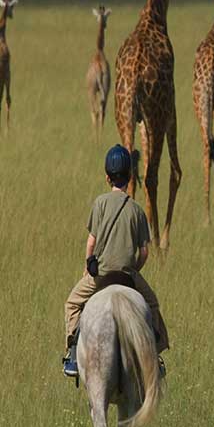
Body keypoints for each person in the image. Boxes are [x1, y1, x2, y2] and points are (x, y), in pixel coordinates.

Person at [62, 144, 170, 378]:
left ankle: (72, 355)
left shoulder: (99, 203)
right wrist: (134, 269)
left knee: (71, 304)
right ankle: (156, 357)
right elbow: (144, 252)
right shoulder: (138, 210)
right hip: (127, 275)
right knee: (152, 305)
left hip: (100, 275)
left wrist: (89, 264)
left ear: (107, 177)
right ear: (130, 177)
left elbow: (91, 243)